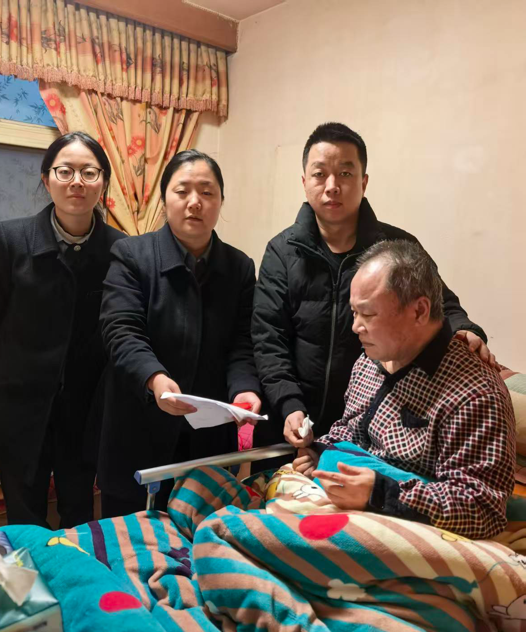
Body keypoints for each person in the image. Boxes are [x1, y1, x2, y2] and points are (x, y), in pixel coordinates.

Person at [252, 122, 495, 454]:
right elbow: (269, 339)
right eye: (320, 174)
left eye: (345, 174)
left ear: (363, 182)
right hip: (291, 419)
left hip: (368, 423)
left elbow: (440, 304)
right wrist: (289, 404)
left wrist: (466, 330)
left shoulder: (395, 247)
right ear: (305, 182)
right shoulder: (282, 252)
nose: (332, 186)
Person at [293, 240, 515, 539]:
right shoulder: (369, 361)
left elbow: (482, 511)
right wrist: (318, 453)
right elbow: (349, 431)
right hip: (350, 503)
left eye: (368, 314)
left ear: (419, 311)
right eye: (354, 312)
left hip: (417, 528)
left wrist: (382, 494)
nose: (356, 326)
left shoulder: (475, 394)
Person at [0, 131, 127, 527]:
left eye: (89, 172)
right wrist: (29, 355)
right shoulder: (11, 238)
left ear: (104, 182)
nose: (77, 182)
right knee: (24, 521)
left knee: (79, 514)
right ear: (46, 178)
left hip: (86, 406)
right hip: (19, 403)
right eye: (65, 171)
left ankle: (73, 568)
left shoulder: (121, 250)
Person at [98, 150, 261, 515]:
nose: (194, 202)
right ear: (164, 199)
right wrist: (155, 379)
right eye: (182, 190)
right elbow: (121, 330)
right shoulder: (131, 255)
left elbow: (242, 343)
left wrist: (244, 389)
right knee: (129, 536)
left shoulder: (238, 267)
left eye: (207, 191)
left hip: (208, 437)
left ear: (220, 201)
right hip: (138, 430)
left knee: (204, 533)